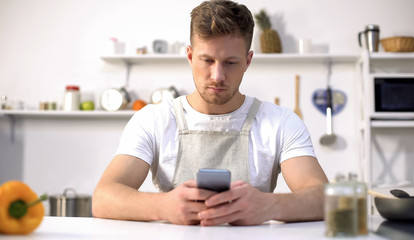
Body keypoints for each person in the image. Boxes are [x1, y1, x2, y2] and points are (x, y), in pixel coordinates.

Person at [93, 0, 328, 226]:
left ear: (248, 61)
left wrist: (270, 205)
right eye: (207, 60)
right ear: (189, 56)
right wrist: (163, 206)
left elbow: (325, 199)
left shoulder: (281, 122)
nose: (217, 75)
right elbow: (103, 198)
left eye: (231, 62)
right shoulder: (153, 119)